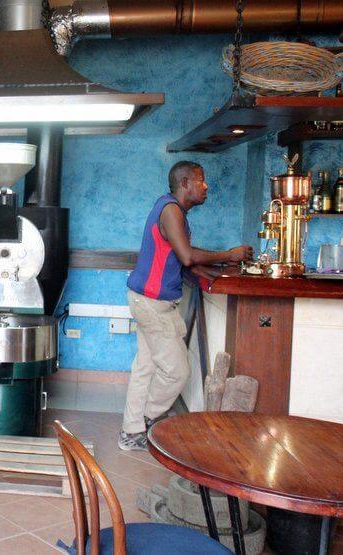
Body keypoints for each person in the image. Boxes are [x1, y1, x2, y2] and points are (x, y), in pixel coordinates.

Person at [119, 161, 253, 451]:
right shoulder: (171, 211)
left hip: (147, 299)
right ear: (185, 184)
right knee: (178, 371)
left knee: (145, 367)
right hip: (153, 303)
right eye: (201, 181)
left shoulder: (170, 209)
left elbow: (178, 260)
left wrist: (218, 264)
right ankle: (147, 418)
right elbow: (187, 256)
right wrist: (229, 253)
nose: (206, 186)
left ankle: (131, 432)